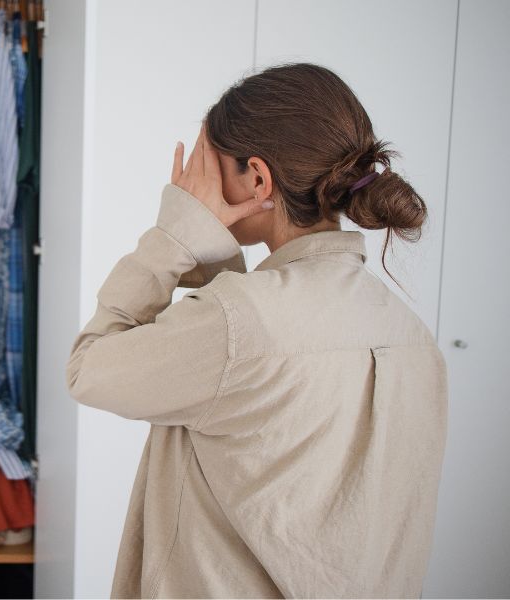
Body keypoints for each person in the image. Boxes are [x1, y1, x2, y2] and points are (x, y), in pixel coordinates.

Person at [66, 63, 447, 598]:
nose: (196, 185)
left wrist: (173, 236)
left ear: (259, 180)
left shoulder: (237, 323)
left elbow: (89, 369)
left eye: (207, 168)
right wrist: (217, 256)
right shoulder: (411, 334)